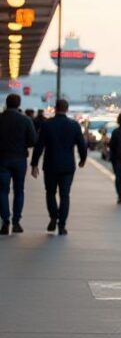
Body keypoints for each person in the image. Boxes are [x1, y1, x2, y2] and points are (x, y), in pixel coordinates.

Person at [30, 99, 87, 235]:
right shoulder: (74, 125)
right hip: (67, 166)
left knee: (50, 193)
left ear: (55, 108)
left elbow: (39, 145)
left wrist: (34, 163)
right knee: (65, 195)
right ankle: (62, 225)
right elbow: (81, 144)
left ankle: (53, 217)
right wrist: (82, 159)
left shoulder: (47, 125)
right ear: (67, 109)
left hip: (50, 165)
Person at [0, 93, 37, 235]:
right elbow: (33, 140)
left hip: (2, 159)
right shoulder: (26, 120)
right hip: (19, 159)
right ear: (18, 104)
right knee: (19, 190)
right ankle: (16, 222)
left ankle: (5, 221)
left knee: (2, 191)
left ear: (7, 103)